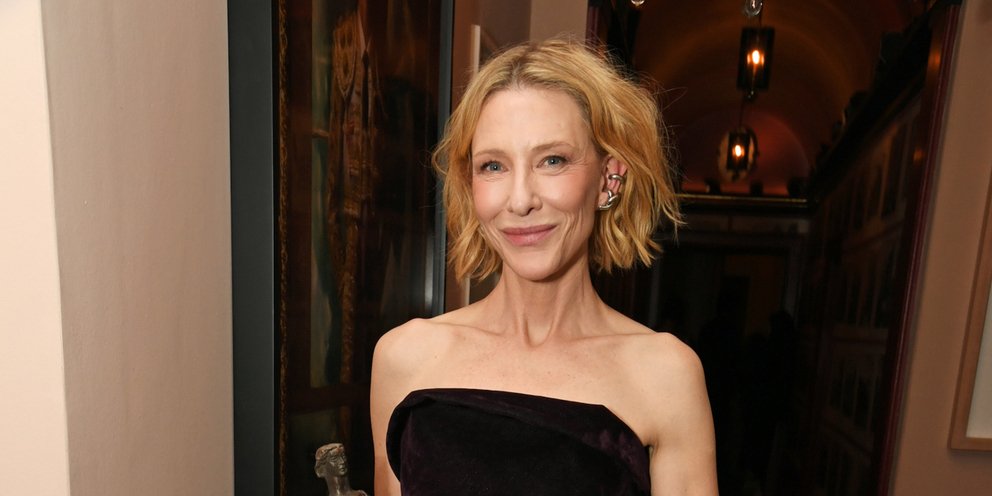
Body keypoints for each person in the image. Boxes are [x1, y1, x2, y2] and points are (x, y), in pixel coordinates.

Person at [370, 39, 717, 495]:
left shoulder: (664, 375)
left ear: (609, 179)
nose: (520, 200)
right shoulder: (405, 358)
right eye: (493, 166)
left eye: (552, 161)